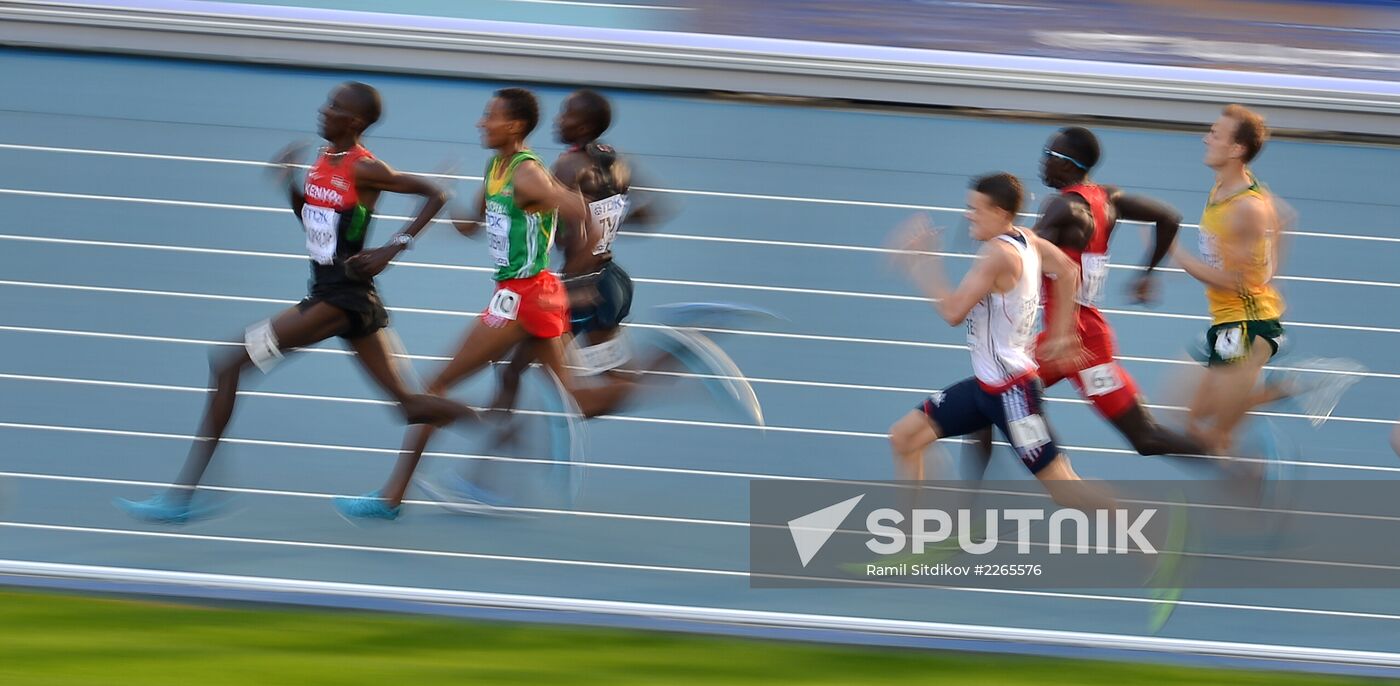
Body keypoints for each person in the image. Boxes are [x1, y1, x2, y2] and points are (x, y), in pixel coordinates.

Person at [117, 82, 474, 523]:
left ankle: (186, 494)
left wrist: (391, 248)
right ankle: (493, 421)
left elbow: (434, 193)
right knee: (410, 406)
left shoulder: (366, 168)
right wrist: (291, 185)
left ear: (355, 122)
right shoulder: (326, 160)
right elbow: (315, 223)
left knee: (229, 363)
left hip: (339, 299)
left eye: (334, 107)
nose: (323, 110)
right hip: (341, 297)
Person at [332, 88, 633, 520]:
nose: (480, 122)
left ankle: (390, 498)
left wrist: (581, 277)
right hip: (539, 296)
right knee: (575, 398)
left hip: (522, 296)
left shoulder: (529, 174)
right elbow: (471, 225)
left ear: (513, 125)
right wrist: (444, 194)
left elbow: (579, 212)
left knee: (434, 387)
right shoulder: (497, 167)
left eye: (489, 116)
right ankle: (670, 362)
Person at [1171, 104, 1359, 455]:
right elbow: (1286, 218)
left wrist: (1175, 253)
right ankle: (1287, 389)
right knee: (1194, 420)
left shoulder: (1246, 208)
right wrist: (1271, 276)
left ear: (1236, 149)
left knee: (1207, 432)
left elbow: (1232, 283)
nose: (1205, 138)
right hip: (1234, 319)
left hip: (1246, 325)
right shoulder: (1228, 186)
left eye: (1214, 133)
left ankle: (1298, 383)